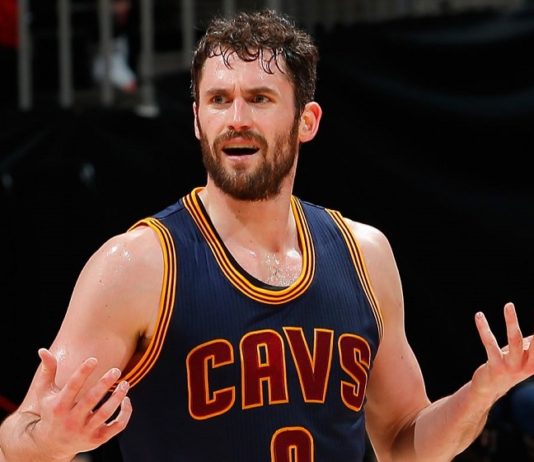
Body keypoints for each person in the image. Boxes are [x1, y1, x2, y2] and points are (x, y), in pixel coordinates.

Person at [0, 8, 533, 462]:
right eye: (218, 100)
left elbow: (402, 442)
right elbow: (15, 438)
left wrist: (480, 393)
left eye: (259, 98)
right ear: (196, 119)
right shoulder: (138, 264)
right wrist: (50, 438)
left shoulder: (364, 254)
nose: (236, 118)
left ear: (307, 120)